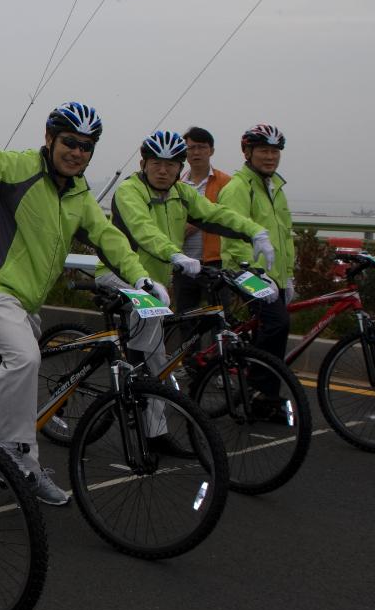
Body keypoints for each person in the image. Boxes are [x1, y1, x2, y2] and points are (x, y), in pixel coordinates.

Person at [0, 81, 167, 504]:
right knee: (25, 358)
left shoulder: (79, 192)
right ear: (49, 139)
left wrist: (141, 278)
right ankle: (17, 462)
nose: (77, 152)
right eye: (69, 141)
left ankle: (0, 434)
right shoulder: (19, 168)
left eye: (87, 147)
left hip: (26, 301)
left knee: (21, 374)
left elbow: (108, 237)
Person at [96, 131, 275, 432]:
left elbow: (216, 214)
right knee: (153, 354)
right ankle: (150, 426)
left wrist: (255, 231)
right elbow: (142, 230)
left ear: (180, 167)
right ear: (143, 163)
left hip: (154, 282)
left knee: (155, 354)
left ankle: (147, 412)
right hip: (118, 274)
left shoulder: (182, 193)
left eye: (171, 164)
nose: (164, 171)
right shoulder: (130, 191)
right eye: (156, 164)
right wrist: (175, 254)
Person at [218, 124, 296, 405]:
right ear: (248, 152)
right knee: (278, 323)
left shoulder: (276, 187)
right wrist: (255, 272)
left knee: (271, 326)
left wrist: (287, 277)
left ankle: (265, 393)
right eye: (264, 150)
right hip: (243, 270)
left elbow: (284, 237)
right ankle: (259, 388)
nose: (270, 157)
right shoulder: (239, 188)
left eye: (275, 151)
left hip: (274, 275)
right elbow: (232, 237)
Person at [175, 126, 232, 308]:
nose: (196, 152)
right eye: (191, 148)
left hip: (215, 262)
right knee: (185, 319)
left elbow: (228, 214)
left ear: (211, 150)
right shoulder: (177, 184)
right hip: (184, 263)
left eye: (201, 147)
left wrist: (197, 223)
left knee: (221, 317)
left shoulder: (225, 182)